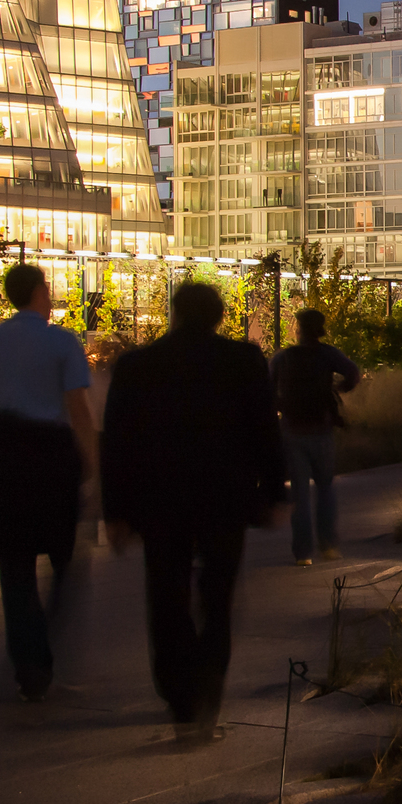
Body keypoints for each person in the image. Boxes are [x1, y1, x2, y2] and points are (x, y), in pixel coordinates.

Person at [102, 281, 283, 738]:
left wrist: (116, 510)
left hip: (159, 499)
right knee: (218, 595)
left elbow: (117, 444)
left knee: (166, 593)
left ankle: (178, 689)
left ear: (175, 314)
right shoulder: (243, 361)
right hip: (224, 495)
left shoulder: (137, 366)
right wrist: (275, 492)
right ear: (220, 317)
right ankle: (208, 683)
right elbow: (264, 429)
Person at [0, 263, 95, 701]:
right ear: (39, 292)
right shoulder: (62, 342)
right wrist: (93, 464)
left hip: (4, 462)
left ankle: (29, 665)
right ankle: (47, 646)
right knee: (67, 562)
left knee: (14, 571)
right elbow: (77, 408)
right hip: (51, 458)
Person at [272, 307, 360, 566]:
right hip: (321, 428)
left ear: (298, 330)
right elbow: (353, 373)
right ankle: (329, 546)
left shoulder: (284, 357)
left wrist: (282, 407)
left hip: (292, 429)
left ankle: (303, 553)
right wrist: (338, 389)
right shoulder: (328, 354)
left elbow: (267, 387)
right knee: (325, 488)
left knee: (299, 493)